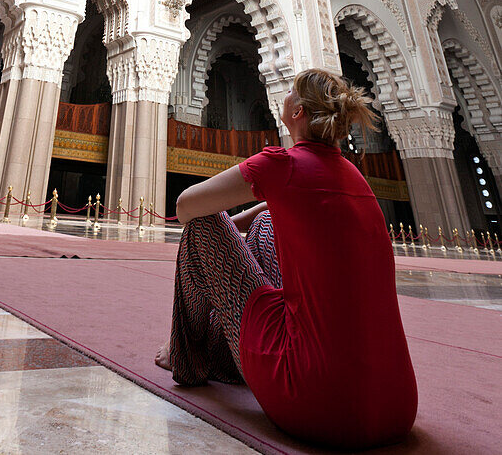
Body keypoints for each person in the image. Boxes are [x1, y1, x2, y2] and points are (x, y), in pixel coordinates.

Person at [155, 68, 418, 450]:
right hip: (395, 406)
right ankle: (227, 357)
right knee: (266, 219)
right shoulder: (353, 176)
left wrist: (228, 227)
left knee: (203, 228)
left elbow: (186, 207)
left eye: (292, 91)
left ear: (298, 113)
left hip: (315, 400)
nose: (286, 94)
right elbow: (278, 205)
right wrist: (254, 214)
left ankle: (185, 357)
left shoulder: (281, 164)